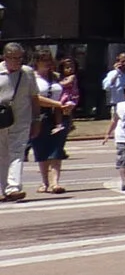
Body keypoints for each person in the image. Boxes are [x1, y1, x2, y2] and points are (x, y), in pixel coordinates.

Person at [29, 52, 72, 195]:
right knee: (41, 148)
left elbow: (66, 94)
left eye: (49, 60)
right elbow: (35, 98)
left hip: (58, 114)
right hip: (39, 115)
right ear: (36, 62)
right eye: (43, 60)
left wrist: (66, 104)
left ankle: (55, 183)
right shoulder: (31, 77)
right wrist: (58, 103)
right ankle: (44, 182)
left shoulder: (56, 76)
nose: (47, 63)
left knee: (56, 149)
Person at [0, 42, 34, 202]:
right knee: (1, 156)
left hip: (21, 120)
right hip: (1, 121)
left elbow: (34, 97)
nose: (16, 61)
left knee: (17, 153)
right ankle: (2, 190)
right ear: (4, 57)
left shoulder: (27, 73)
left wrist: (37, 119)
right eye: (13, 58)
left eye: (19, 58)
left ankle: (13, 188)